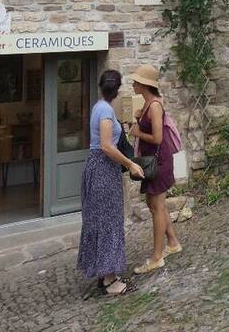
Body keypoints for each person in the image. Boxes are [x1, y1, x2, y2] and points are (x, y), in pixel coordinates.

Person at [77, 70, 146, 296]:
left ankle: (105, 273)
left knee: (99, 220)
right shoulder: (106, 110)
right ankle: (110, 281)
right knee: (109, 221)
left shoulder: (99, 106)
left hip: (98, 169)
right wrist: (131, 164)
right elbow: (107, 146)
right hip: (103, 171)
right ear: (118, 89)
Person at [129, 64, 182, 275]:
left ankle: (157, 257)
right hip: (155, 160)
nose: (133, 84)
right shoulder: (149, 104)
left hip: (159, 162)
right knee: (153, 203)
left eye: (135, 81)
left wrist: (137, 133)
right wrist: (138, 119)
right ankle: (172, 242)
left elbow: (158, 138)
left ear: (144, 85)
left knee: (157, 205)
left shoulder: (154, 107)